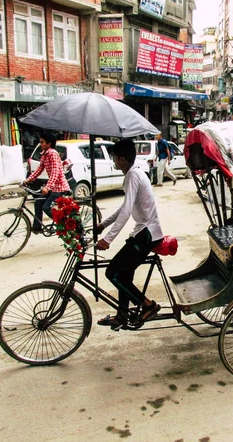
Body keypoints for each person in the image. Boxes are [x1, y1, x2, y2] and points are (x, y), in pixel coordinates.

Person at [96, 140, 163, 330]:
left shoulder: (133, 175)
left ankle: (148, 305)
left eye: (114, 159)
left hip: (147, 233)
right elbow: (126, 206)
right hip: (143, 232)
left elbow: (126, 211)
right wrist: (103, 224)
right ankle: (122, 315)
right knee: (123, 275)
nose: (114, 162)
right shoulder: (133, 174)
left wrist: (108, 239)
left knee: (113, 272)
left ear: (122, 159)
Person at [23, 132, 70, 234]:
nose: (40, 144)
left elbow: (55, 172)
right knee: (38, 202)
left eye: (42, 142)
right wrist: (28, 179)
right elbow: (39, 169)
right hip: (53, 187)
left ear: (49, 144)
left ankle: (63, 224)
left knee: (46, 207)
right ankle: (37, 227)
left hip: (60, 187)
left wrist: (47, 187)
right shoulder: (45, 154)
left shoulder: (53, 154)